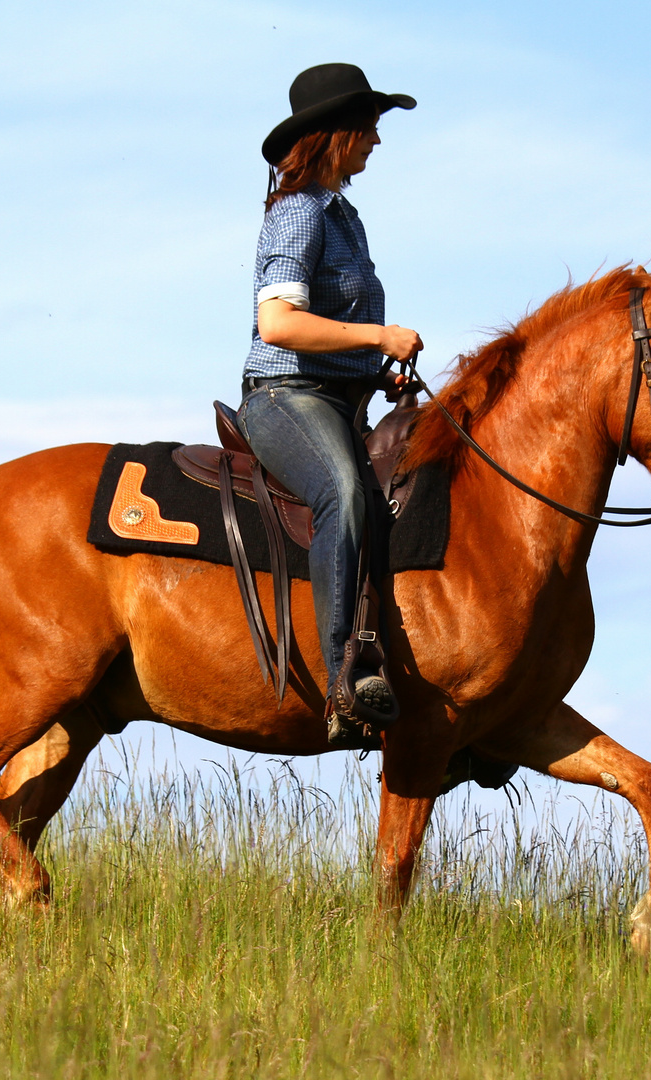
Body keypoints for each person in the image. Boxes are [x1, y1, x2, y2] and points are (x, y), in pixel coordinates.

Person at [236, 63, 421, 745]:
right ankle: (347, 676)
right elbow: (280, 325)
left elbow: (329, 337)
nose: (377, 138)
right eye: (368, 125)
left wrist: (376, 372)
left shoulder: (347, 218)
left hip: (339, 397)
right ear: (333, 136)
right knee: (344, 491)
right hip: (285, 397)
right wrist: (378, 335)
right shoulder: (297, 213)